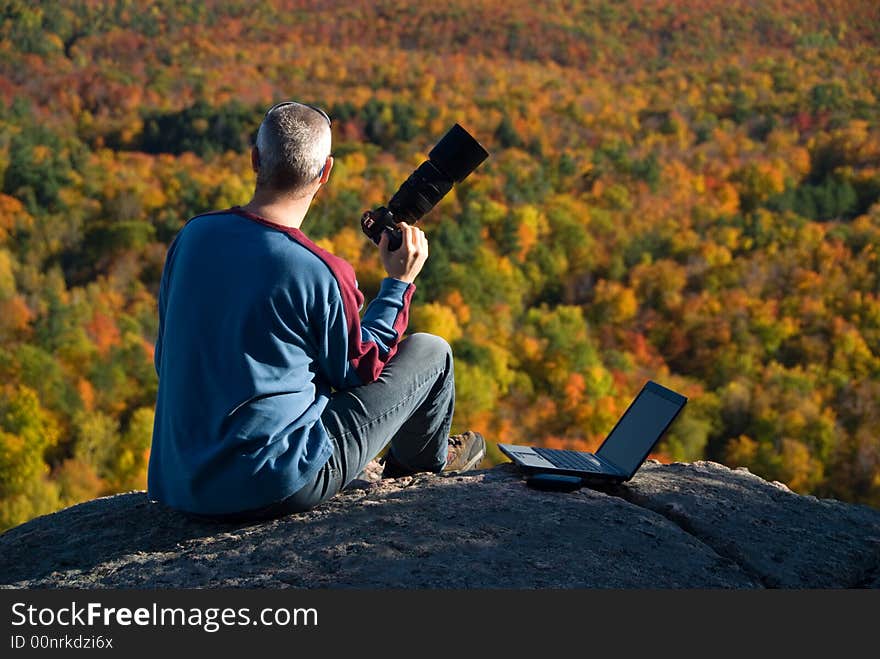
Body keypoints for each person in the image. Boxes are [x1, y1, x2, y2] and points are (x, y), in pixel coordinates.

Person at [147, 100, 485, 521]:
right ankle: (417, 477)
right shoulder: (320, 271)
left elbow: (166, 358)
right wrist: (398, 284)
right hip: (272, 484)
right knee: (432, 353)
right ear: (325, 171)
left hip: (177, 480)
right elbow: (362, 369)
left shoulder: (193, 236)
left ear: (255, 159)